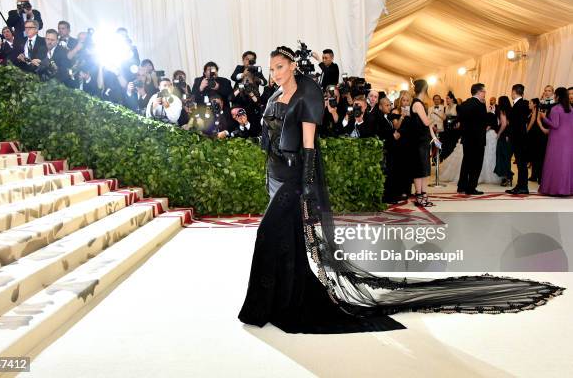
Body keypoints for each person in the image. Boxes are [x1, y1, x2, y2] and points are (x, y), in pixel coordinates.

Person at [238, 45, 563, 335]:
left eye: (279, 66)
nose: (274, 73)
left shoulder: (304, 96)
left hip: (294, 178)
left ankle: (265, 305)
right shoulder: (271, 98)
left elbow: (309, 144)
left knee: (267, 234)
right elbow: (266, 137)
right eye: (271, 68)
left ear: (292, 66)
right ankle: (280, 301)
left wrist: (306, 185)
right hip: (276, 174)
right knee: (288, 239)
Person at [409, 80, 440, 207]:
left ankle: (423, 194)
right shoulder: (417, 104)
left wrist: (434, 138)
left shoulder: (420, 103)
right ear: (425, 88)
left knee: (425, 169)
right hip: (418, 141)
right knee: (419, 169)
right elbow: (427, 122)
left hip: (423, 140)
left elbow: (427, 126)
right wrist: (435, 115)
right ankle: (419, 195)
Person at [539, 87, 573, 196]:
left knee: (554, 162)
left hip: (556, 138)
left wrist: (544, 117)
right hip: (568, 139)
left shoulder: (556, 109)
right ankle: (566, 189)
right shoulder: (571, 108)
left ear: (557, 96)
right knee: (566, 163)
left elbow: (555, 124)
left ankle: (554, 188)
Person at [456, 83, 489, 195]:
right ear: (479, 92)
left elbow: (460, 120)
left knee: (466, 162)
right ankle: (471, 188)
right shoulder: (480, 105)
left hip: (467, 139)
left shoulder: (464, 104)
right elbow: (485, 122)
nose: (485, 93)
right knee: (476, 165)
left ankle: (461, 186)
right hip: (477, 140)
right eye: (484, 91)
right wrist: (492, 112)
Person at [506, 84, 530, 195]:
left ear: (514, 92)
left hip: (519, 139)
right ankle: (521, 186)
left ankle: (523, 187)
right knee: (521, 164)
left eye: (512, 92)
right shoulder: (523, 104)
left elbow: (517, 124)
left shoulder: (520, 104)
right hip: (520, 138)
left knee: (521, 164)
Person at [494, 96, 514, 186]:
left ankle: (507, 178)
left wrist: (498, 134)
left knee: (502, 157)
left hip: (504, 136)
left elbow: (504, 123)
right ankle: (508, 177)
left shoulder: (502, 110)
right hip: (510, 136)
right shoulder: (511, 110)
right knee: (507, 158)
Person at [527, 98, 548, 184]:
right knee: (535, 157)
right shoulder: (532, 111)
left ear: (535, 104)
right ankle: (534, 176)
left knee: (537, 157)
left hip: (536, 136)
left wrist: (526, 132)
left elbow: (531, 123)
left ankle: (538, 177)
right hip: (534, 136)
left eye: (530, 103)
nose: (529, 104)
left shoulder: (536, 110)